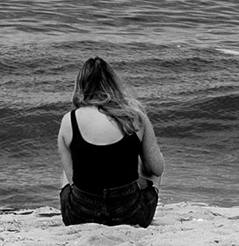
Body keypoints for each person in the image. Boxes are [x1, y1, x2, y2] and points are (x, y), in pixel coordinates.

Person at [54, 56, 164, 228]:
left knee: (69, 167)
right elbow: (157, 169)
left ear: (80, 85)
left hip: (80, 216)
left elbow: (72, 180)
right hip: (130, 214)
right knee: (154, 165)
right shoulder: (135, 116)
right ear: (113, 83)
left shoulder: (70, 120)